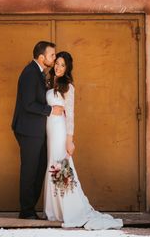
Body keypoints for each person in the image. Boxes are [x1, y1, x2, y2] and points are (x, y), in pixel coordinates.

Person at [43, 51, 123, 230]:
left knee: (61, 166)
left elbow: (70, 114)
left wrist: (70, 140)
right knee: (53, 166)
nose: (58, 67)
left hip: (60, 131)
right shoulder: (48, 83)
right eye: (57, 63)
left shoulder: (68, 87)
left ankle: (70, 209)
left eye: (63, 65)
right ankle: (55, 210)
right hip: (50, 131)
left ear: (67, 68)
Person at [11, 41, 64, 219]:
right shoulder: (29, 73)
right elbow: (28, 104)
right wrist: (51, 110)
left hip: (37, 132)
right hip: (28, 130)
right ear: (41, 57)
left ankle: (30, 208)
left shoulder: (40, 73)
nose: (54, 58)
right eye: (52, 55)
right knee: (30, 170)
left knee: (39, 168)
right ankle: (26, 211)